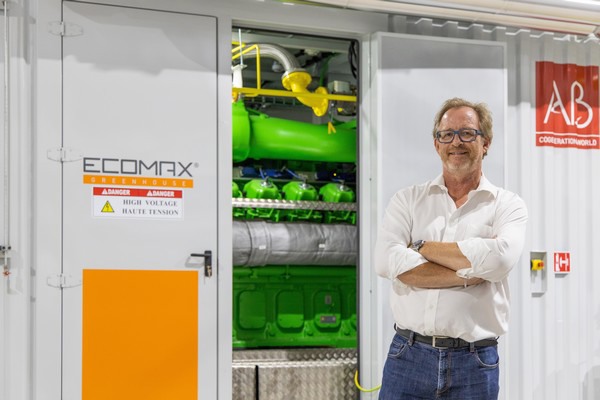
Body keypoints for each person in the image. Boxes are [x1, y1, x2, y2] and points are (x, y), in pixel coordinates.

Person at [374, 97, 528, 400]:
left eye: (467, 133)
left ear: (486, 143)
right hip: (408, 356)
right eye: (447, 134)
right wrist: (471, 273)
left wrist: (420, 247)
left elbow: (499, 260)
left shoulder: (507, 205)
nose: (456, 141)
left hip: (475, 362)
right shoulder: (408, 200)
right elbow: (385, 261)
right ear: (437, 144)